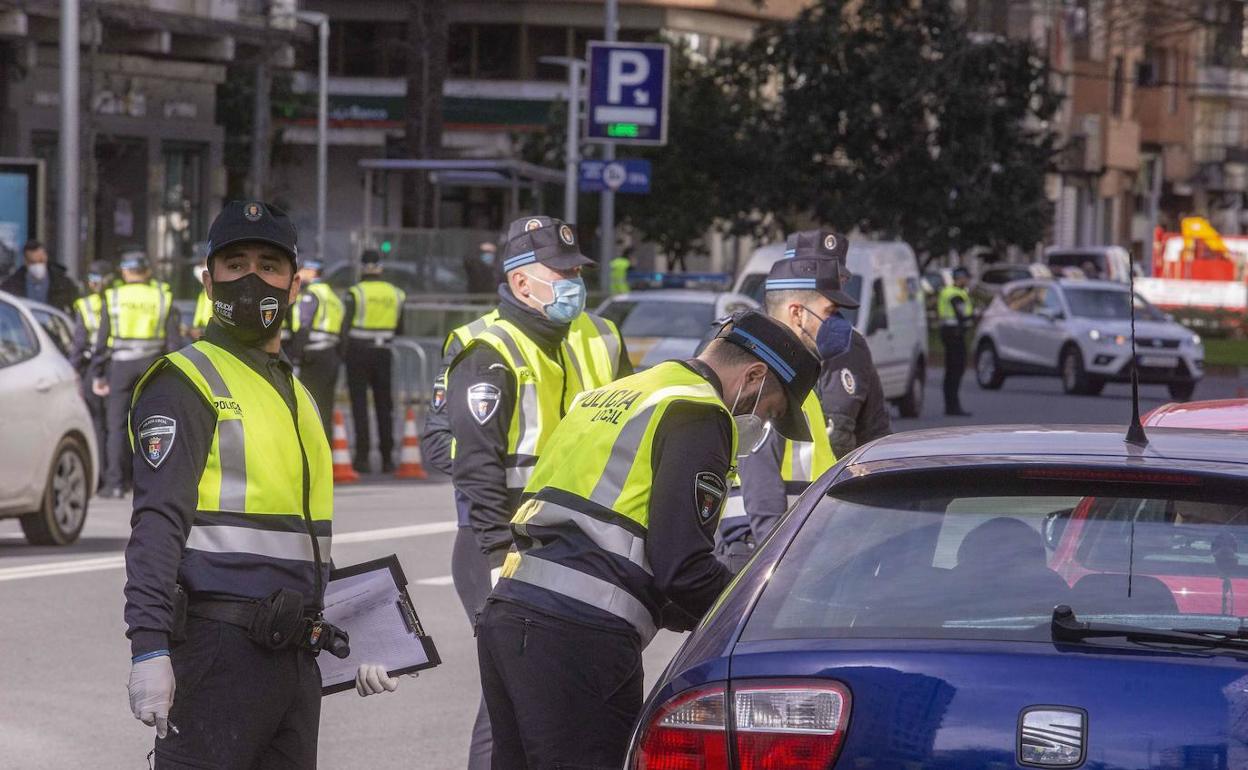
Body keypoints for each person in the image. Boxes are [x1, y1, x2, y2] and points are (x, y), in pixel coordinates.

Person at [123, 201, 403, 770]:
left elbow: (301, 542)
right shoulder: (185, 382)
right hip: (217, 651)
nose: (252, 278)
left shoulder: (295, 394)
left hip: (294, 656)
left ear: (294, 285)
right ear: (208, 281)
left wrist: (359, 639)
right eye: (235, 263)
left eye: (269, 265)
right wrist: (148, 645)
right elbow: (157, 524)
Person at [477, 310, 818, 769]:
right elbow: (683, 567)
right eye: (772, 409)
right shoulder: (701, 413)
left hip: (511, 615)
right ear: (754, 374)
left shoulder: (616, 394)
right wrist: (756, 616)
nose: (765, 423)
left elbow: (623, 542)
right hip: (580, 637)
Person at [441, 214, 630, 770]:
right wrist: (499, 558)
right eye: (563, 270)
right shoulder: (487, 348)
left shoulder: (601, 336)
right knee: (515, 698)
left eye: (578, 269)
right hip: (503, 546)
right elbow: (475, 466)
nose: (575, 281)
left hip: (577, 545)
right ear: (523, 282)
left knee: (552, 696)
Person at [719, 230, 862, 571]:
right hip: (760, 551)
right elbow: (760, 489)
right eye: (830, 310)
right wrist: (782, 568)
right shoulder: (765, 374)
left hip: (796, 545)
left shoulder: (797, 372)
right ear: (797, 313)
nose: (838, 322)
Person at [89, 250, 179, 498]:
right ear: (147, 271)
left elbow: (102, 339)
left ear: (124, 271)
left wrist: (98, 372)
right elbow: (173, 341)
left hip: (120, 367)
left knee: (116, 425)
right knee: (155, 425)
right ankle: (154, 483)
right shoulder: (161, 296)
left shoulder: (113, 296)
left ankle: (115, 484)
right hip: (152, 366)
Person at [342, 249, 406, 473]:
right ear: (380, 267)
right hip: (384, 352)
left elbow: (345, 327)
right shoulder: (396, 293)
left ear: (362, 266)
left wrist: (342, 355)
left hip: (358, 352)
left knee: (359, 406)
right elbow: (400, 328)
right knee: (384, 406)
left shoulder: (355, 292)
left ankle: (362, 459)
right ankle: (388, 459)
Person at [286, 258, 345, 441]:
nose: (300, 274)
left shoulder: (311, 295)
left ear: (312, 272)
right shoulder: (334, 298)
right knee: (325, 410)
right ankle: (327, 451)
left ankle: (311, 455)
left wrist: (295, 356)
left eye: (303, 270)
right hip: (331, 356)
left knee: (310, 407)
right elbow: (344, 334)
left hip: (313, 357)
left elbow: (304, 327)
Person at [69, 260, 114, 457]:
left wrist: (72, 370)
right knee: (116, 422)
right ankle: (120, 475)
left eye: (95, 279)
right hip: (116, 365)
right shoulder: (116, 299)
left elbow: (79, 342)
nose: (92, 283)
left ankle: (101, 474)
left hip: (94, 366)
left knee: (96, 421)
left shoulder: (85, 305)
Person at [1, 239, 78, 313]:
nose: (38, 265)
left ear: (46, 257)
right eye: (33, 262)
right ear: (25, 262)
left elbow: (76, 309)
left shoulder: (63, 284)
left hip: (55, 325)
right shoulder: (12, 285)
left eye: (41, 261)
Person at [938, 266, 975, 417]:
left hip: (949, 334)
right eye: (966, 277)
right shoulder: (955, 295)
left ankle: (951, 405)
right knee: (955, 370)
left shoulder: (950, 291)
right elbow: (962, 315)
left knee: (951, 371)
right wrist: (975, 316)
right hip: (954, 335)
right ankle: (953, 406)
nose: (968, 280)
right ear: (960, 278)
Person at [188, 260, 213, 340]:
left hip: (209, 331)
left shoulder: (217, 291)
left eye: (203, 265)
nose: (199, 269)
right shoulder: (203, 292)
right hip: (200, 331)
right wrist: (194, 328)